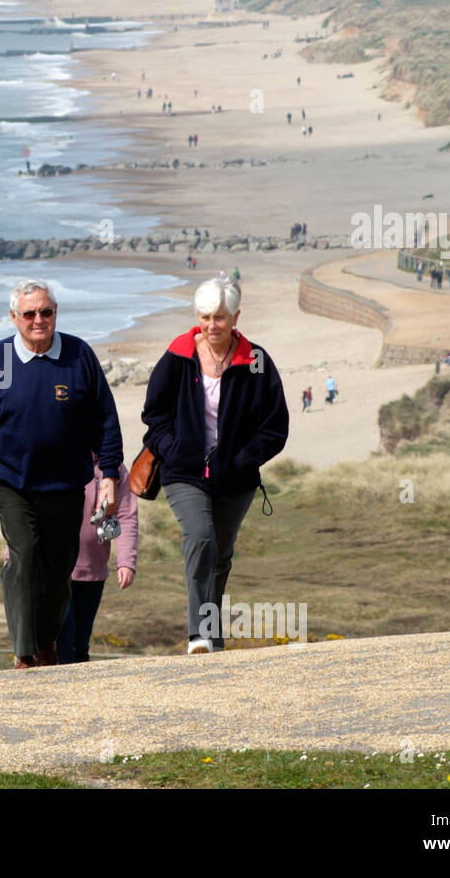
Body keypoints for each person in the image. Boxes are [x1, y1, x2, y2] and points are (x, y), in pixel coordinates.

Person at [0, 279, 123, 668]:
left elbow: (105, 421)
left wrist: (110, 475)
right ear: (14, 317)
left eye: (45, 312)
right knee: (26, 554)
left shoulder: (79, 355)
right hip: (8, 482)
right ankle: (25, 651)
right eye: (29, 313)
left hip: (66, 484)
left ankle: (45, 641)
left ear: (55, 313)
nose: (38, 320)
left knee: (58, 567)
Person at [141, 273, 288, 654]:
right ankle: (198, 635)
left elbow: (275, 427)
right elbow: (154, 415)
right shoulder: (177, 355)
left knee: (220, 557)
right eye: (205, 317)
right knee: (200, 539)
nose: (211, 325)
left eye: (219, 318)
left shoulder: (256, 361)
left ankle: (213, 636)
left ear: (236, 317)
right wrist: (173, 449)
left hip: (234, 478)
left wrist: (241, 461)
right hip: (183, 472)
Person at [0, 457, 136, 664]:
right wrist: (16, 558)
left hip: (92, 572)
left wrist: (126, 560)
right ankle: (52, 689)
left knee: (79, 647)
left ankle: (75, 692)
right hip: (49, 569)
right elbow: (21, 511)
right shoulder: (49, 454)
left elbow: (126, 514)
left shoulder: (112, 467)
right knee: (58, 639)